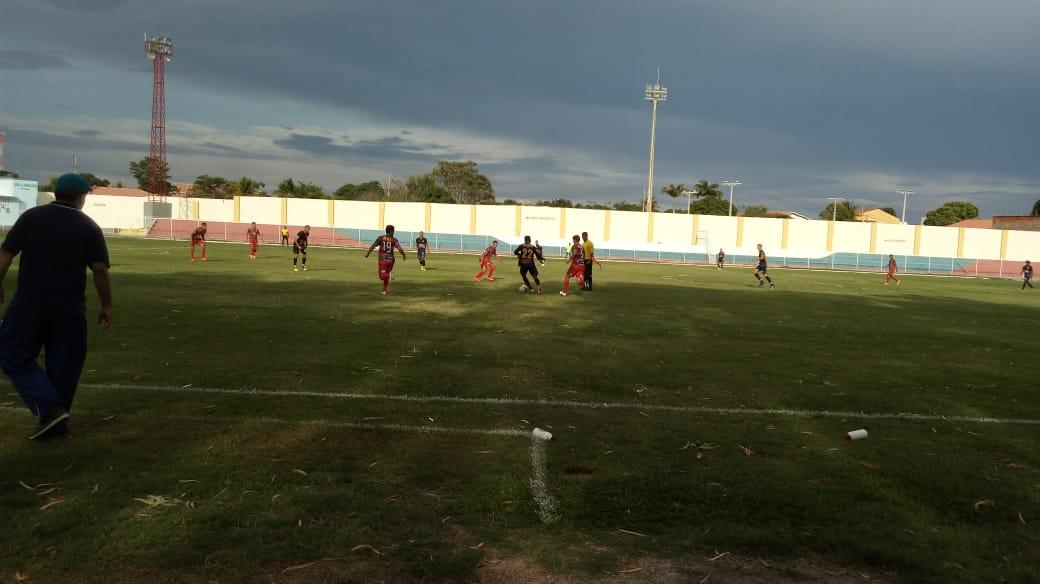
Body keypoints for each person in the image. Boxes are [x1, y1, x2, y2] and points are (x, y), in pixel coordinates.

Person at [0, 173, 113, 440]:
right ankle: (55, 415)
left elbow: (6, 253)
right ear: (81, 197)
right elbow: (99, 270)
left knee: (12, 352)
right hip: (69, 308)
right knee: (65, 367)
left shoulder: (31, 217)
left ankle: (52, 415)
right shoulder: (89, 227)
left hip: (29, 304)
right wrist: (107, 305)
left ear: (56, 193)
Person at [365, 225, 407, 295]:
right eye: (393, 231)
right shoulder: (394, 240)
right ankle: (384, 290)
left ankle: (389, 275)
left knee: (382, 276)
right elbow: (399, 248)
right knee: (386, 275)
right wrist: (404, 255)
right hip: (391, 260)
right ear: (391, 231)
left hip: (382, 259)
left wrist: (368, 253)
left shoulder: (380, 238)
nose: (394, 232)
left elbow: (373, 245)